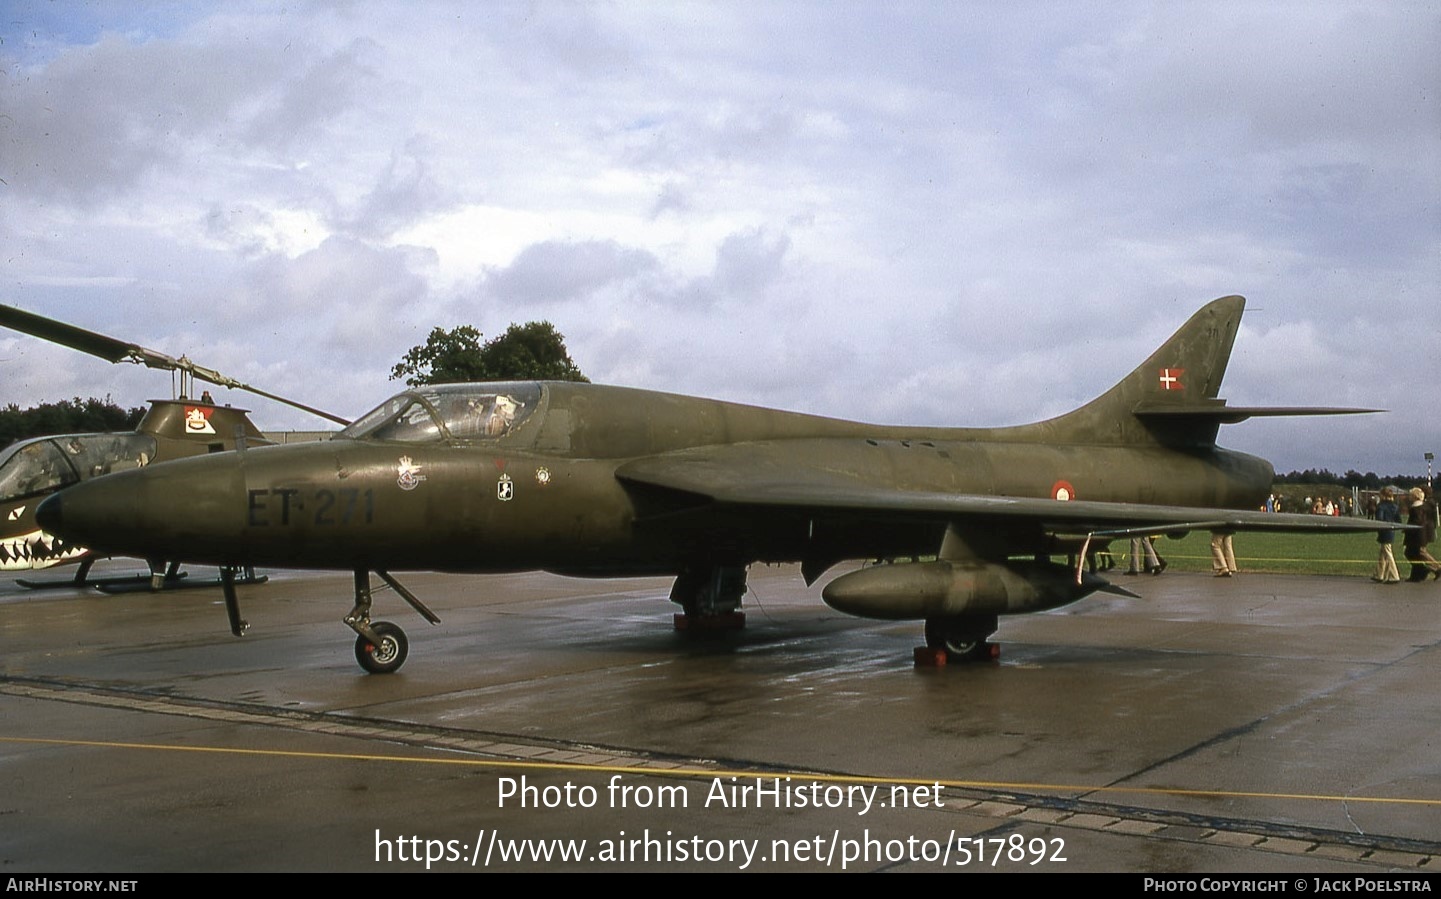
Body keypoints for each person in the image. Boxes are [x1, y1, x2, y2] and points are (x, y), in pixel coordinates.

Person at [1403, 487, 1441, 582]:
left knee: (1419, 552)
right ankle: (1422, 572)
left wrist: (1408, 528)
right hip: (1421, 533)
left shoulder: (1417, 508)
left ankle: (1436, 567)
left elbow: (1418, 521)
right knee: (1414, 553)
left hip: (1418, 535)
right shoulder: (1422, 506)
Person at [1373, 487, 1402, 584]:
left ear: (1383, 495)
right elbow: (1399, 520)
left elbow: (1379, 519)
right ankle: (1379, 574)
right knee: (1383, 553)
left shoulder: (1381, 506)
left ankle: (1394, 575)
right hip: (1391, 530)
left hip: (1384, 531)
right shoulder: (1395, 506)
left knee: (1388, 552)